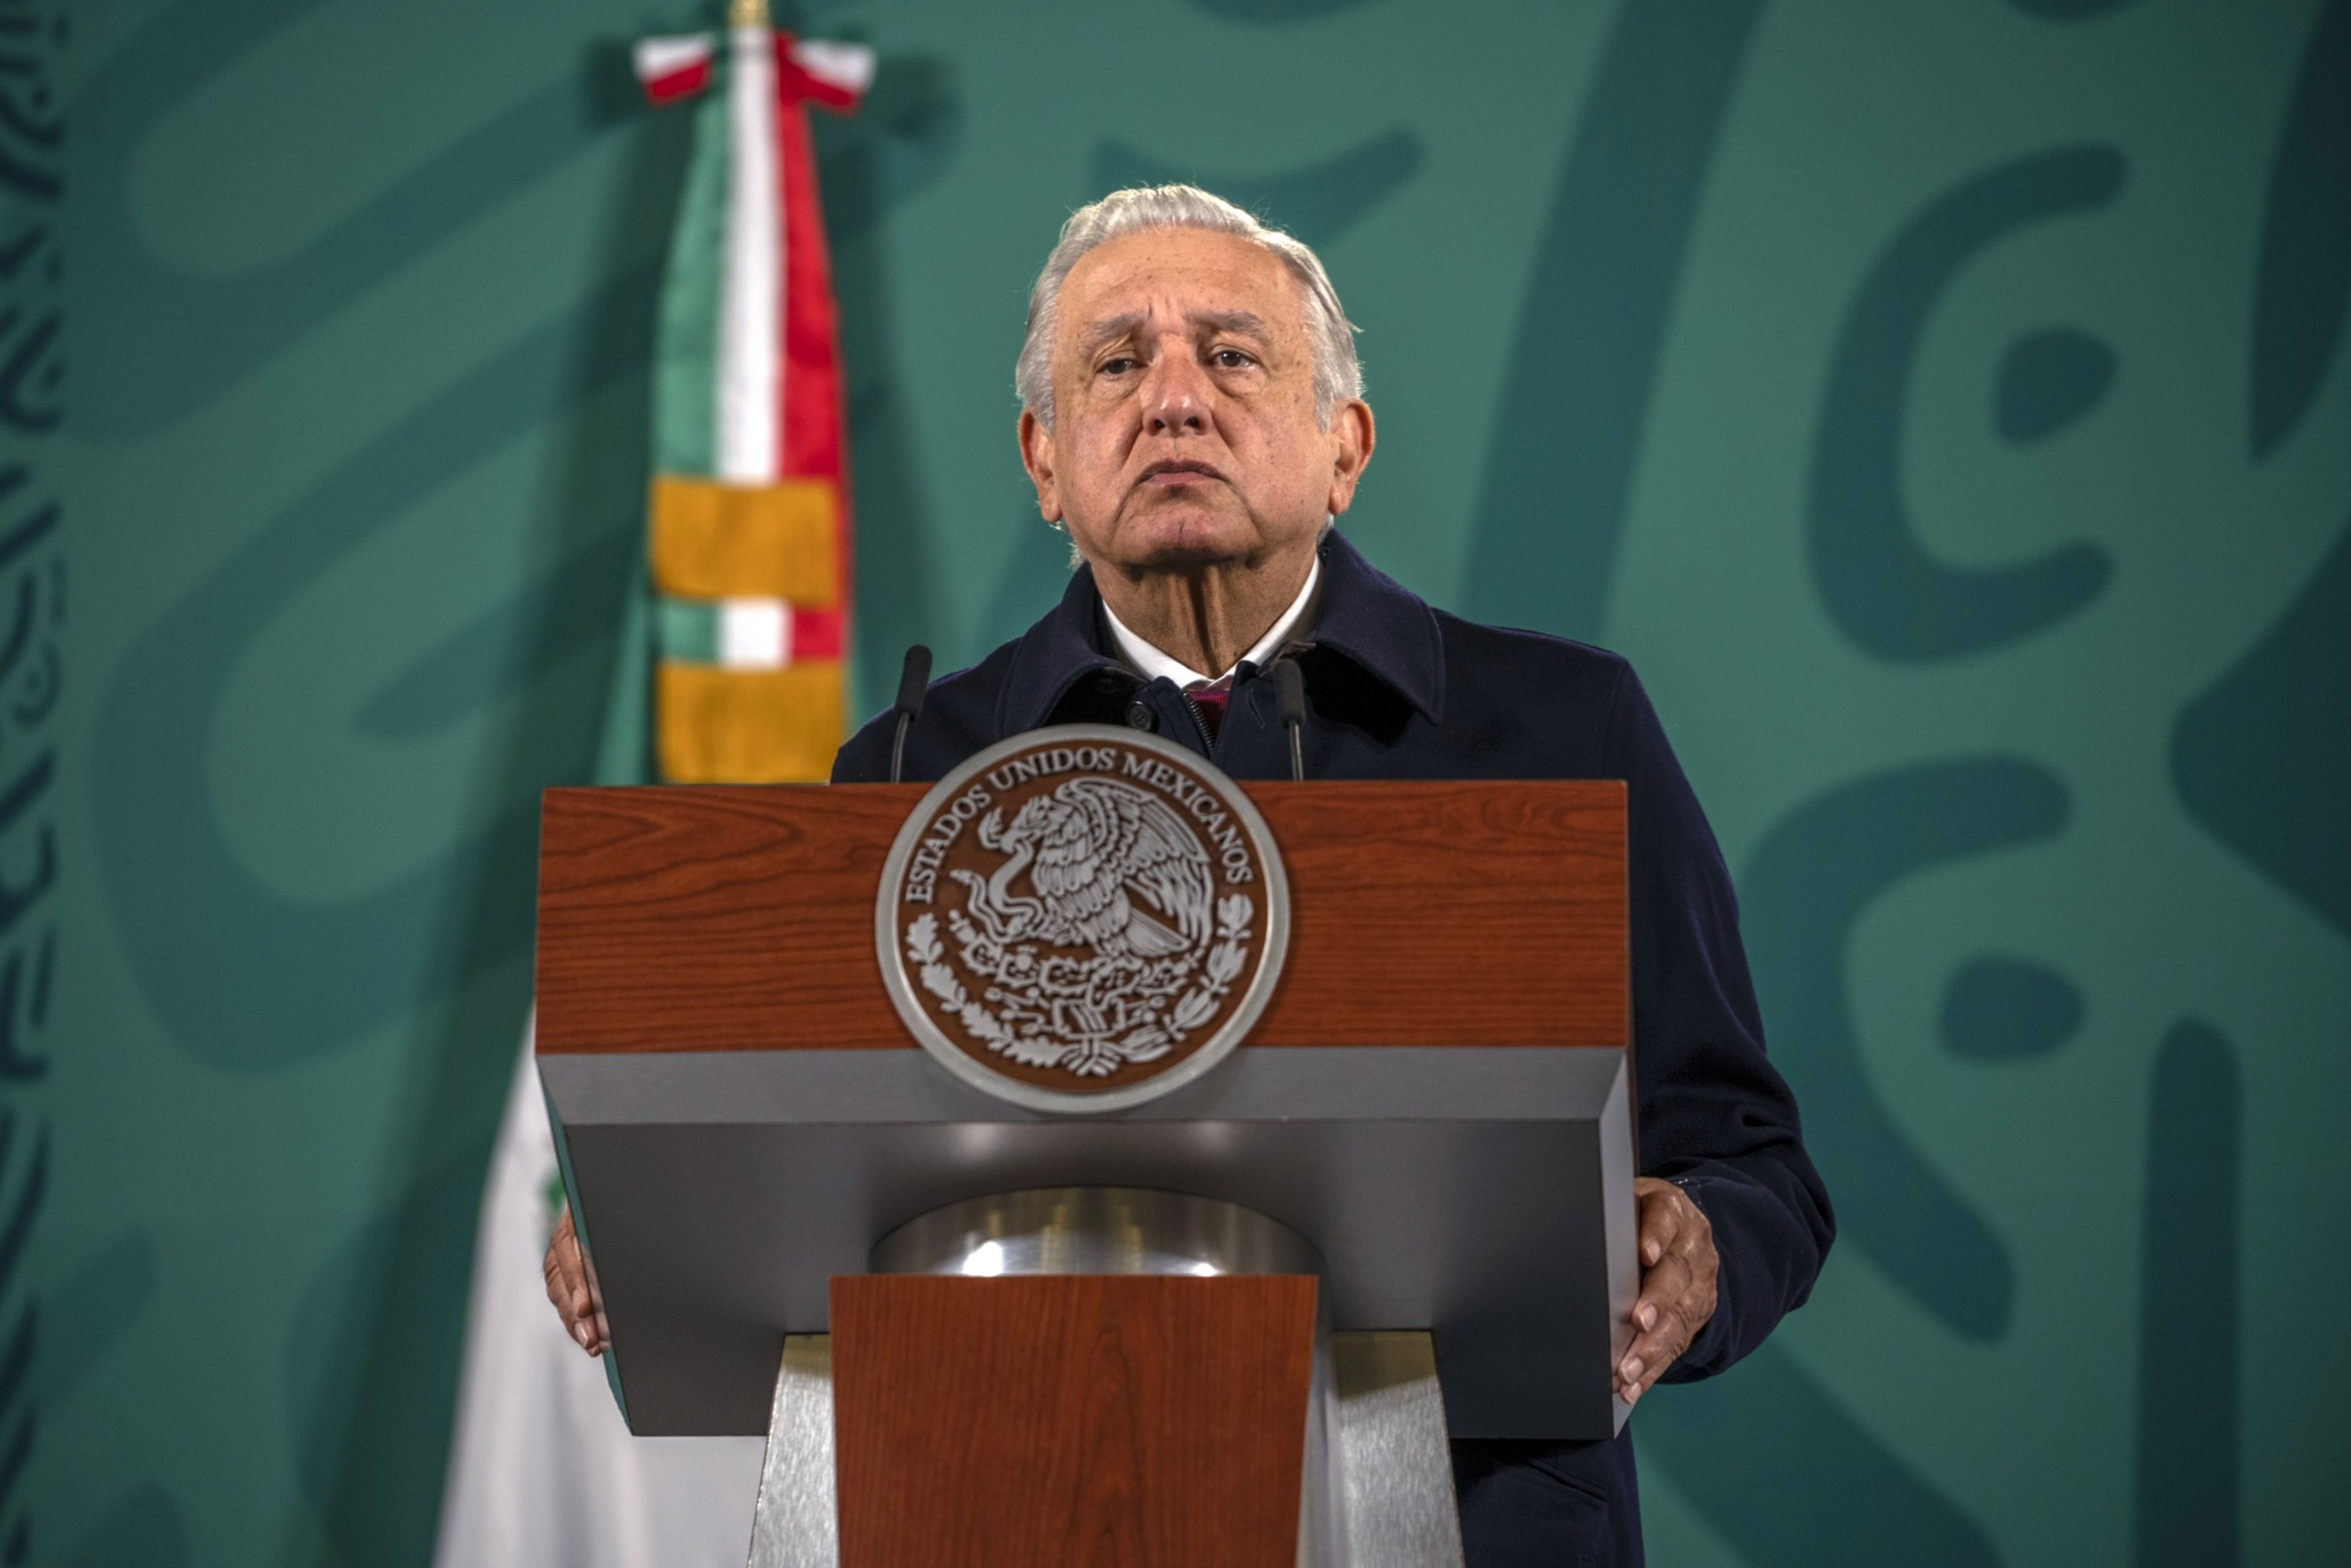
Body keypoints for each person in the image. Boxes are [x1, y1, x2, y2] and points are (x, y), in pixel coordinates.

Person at [549, 183, 1834, 1564]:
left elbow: (1750, 1161)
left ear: (1344, 447)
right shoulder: (920, 770)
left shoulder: (1562, 730)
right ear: (1045, 462)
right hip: (1008, 1501)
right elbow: (814, 1163)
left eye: (1230, 355)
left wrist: (1697, 1240)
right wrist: (649, 1224)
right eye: (1117, 364)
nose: (1173, 400)